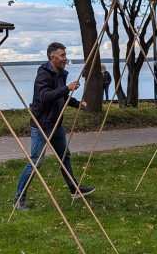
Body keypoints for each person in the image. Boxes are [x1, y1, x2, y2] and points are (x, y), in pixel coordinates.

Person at [12, 42, 96, 211]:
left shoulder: (60, 75)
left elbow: (61, 97)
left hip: (56, 124)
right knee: (36, 161)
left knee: (64, 156)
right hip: (42, 125)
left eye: (65, 55)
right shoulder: (43, 75)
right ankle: (19, 199)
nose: (66, 58)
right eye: (62, 55)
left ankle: (74, 189)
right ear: (53, 57)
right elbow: (44, 96)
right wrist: (67, 88)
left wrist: (76, 104)